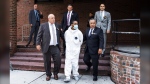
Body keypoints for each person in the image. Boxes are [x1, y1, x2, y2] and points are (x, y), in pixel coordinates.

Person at [36, 14, 64, 81]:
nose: (53, 19)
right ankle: (48, 74)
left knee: (58, 61)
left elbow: (62, 35)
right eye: (52, 18)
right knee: (47, 62)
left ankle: (55, 73)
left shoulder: (58, 25)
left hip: (55, 46)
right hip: (46, 47)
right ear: (48, 19)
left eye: (54, 18)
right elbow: (39, 36)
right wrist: (38, 44)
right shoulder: (43, 25)